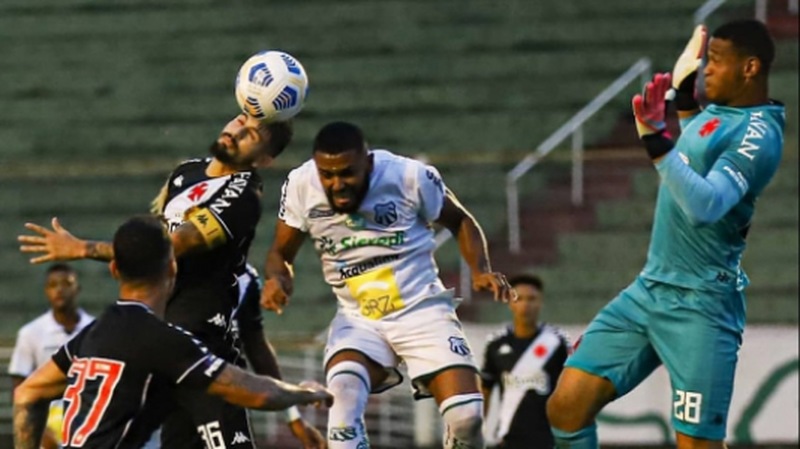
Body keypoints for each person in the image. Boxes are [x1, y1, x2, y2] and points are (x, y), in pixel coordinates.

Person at [546, 20, 784, 448]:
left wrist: (656, 140)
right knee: (566, 406)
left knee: (695, 444)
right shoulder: (721, 112)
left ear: (749, 68)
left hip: (701, 307)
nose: (707, 69)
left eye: (716, 61)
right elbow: (697, 141)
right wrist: (686, 96)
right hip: (649, 290)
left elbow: (705, 206)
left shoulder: (759, 133)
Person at [17, 113, 319, 448]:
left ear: (264, 159)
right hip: (163, 344)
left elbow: (174, 244)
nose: (237, 131)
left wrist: (83, 248)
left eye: (252, 134)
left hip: (201, 345)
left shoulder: (244, 197)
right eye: (239, 120)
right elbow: (155, 241)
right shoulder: (185, 172)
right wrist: (302, 396)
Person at [260, 121, 515, 449]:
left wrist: (480, 270)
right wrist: (278, 279)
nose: (337, 184)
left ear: (368, 162)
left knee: (467, 417)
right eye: (328, 175)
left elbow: (460, 220)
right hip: (358, 319)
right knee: (342, 413)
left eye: (347, 173)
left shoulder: (409, 177)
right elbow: (280, 253)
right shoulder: (300, 184)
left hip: (421, 309)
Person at [12, 215, 332, 449]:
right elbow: (255, 391)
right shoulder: (164, 341)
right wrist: (305, 392)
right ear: (172, 268)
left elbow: (27, 394)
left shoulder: (94, 331)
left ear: (114, 270)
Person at [232, 264, 326, 448]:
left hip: (226, 402)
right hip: (177, 397)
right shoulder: (178, 267)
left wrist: (293, 418)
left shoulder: (245, 278)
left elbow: (257, 349)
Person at [8, 263, 94, 449]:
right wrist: (42, 431)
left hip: (87, 416)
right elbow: (19, 388)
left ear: (77, 289)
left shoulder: (94, 329)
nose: (59, 290)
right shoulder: (30, 332)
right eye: (53, 285)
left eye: (66, 283)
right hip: (47, 418)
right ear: (46, 290)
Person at [480, 274, 569, 448]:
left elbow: (570, 391)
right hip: (507, 438)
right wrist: (476, 432)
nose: (525, 305)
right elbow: (485, 390)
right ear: (509, 302)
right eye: (519, 298)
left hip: (548, 439)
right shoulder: (496, 345)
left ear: (540, 302)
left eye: (532, 299)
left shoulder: (556, 342)